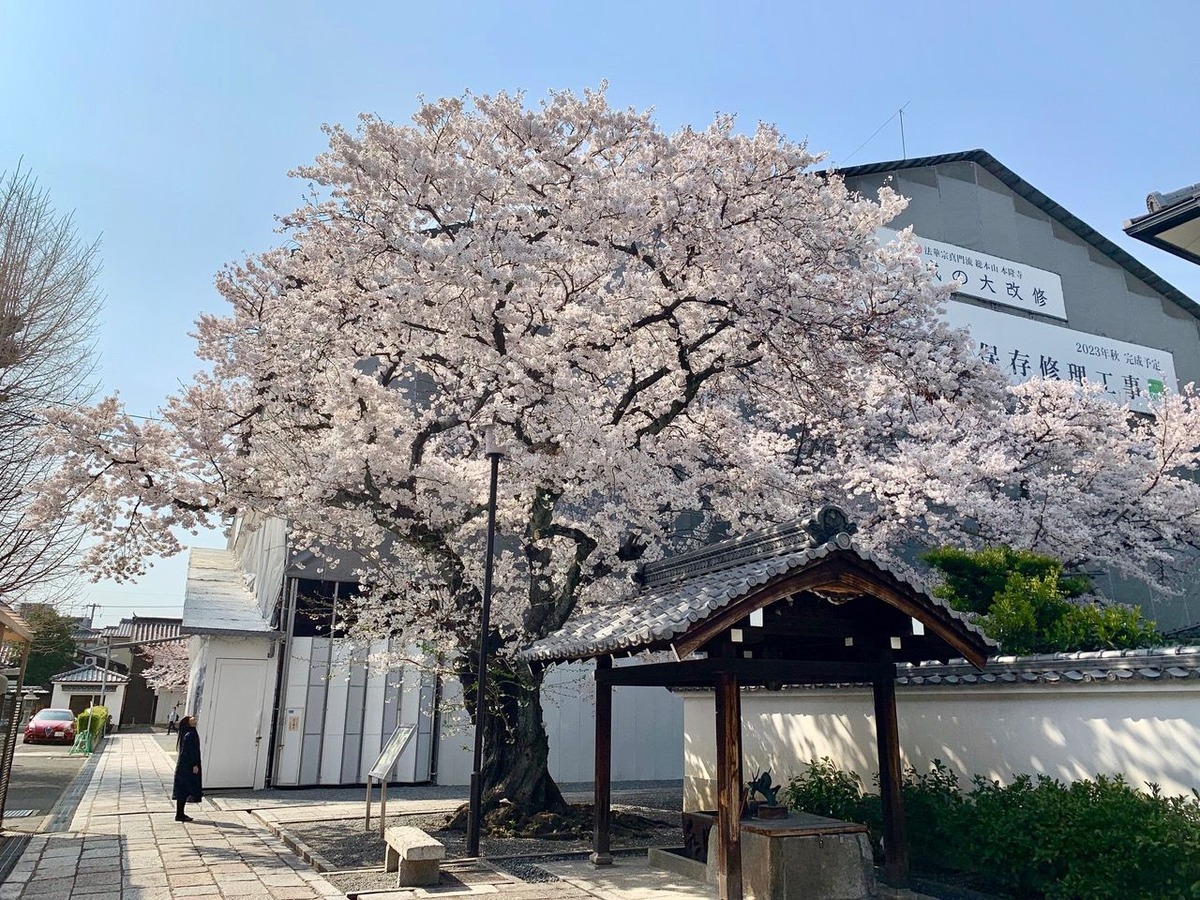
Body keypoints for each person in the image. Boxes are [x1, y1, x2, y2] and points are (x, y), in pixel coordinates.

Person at [172, 715, 203, 823]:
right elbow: (189, 752)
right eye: (191, 718)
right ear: (188, 722)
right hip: (187, 767)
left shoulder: (190, 733)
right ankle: (179, 814)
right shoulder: (189, 735)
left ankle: (180, 813)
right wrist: (194, 764)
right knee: (183, 790)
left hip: (186, 766)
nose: (194, 719)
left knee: (184, 790)